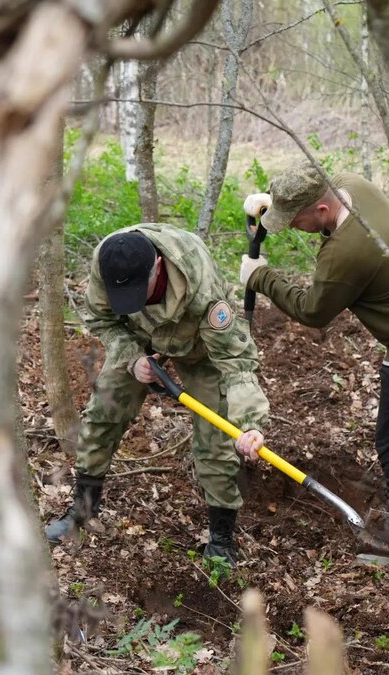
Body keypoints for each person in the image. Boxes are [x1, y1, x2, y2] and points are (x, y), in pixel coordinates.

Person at [239, 163, 389, 523]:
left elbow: (312, 311)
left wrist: (260, 276)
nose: (293, 227)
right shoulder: (353, 186)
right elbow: (311, 193)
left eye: (295, 220)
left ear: (321, 211)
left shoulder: (347, 250)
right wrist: (275, 201)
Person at [45, 223, 269, 564]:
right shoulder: (108, 261)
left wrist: (250, 422)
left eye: (140, 289)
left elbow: (235, 360)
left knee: (217, 436)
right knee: (102, 414)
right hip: (139, 341)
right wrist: (133, 359)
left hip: (200, 346)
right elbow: (102, 319)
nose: (132, 297)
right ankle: (81, 511)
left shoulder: (199, 283)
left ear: (159, 268)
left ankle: (222, 539)